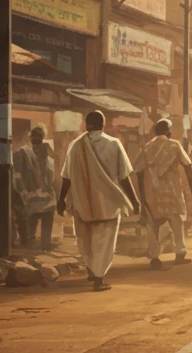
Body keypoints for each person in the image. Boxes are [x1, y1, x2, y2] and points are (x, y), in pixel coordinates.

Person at [56, 111, 139, 292]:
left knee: (85, 240)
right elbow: (124, 176)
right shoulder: (114, 144)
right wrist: (134, 200)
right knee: (105, 241)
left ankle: (92, 271)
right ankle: (99, 278)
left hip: (82, 202)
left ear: (86, 125)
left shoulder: (76, 146)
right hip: (107, 202)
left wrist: (61, 199)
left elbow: (67, 177)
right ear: (103, 124)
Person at [137, 118, 192, 268]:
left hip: (152, 194)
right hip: (172, 192)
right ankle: (180, 252)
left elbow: (138, 172)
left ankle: (155, 257)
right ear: (167, 131)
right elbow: (188, 166)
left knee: (152, 225)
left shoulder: (147, 147)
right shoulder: (174, 145)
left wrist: (142, 195)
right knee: (177, 222)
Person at [15, 125, 58, 250]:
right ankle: (32, 247)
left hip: (46, 197)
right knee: (31, 229)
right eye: (35, 137)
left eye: (40, 137)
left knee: (45, 225)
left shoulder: (47, 152)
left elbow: (55, 167)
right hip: (32, 197)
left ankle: (44, 245)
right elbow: (17, 176)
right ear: (30, 138)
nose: (37, 140)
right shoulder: (23, 152)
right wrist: (24, 193)